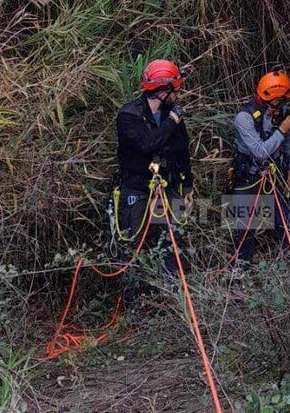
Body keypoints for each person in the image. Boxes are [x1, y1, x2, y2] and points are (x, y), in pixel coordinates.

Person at [115, 58, 194, 294]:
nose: (178, 95)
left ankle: (173, 294)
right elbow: (147, 145)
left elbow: (183, 150)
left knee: (174, 237)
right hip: (137, 186)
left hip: (170, 184)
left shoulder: (173, 115)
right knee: (133, 240)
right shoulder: (129, 115)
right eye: (175, 89)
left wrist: (187, 186)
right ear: (163, 90)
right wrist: (171, 122)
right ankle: (133, 298)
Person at [230, 70, 290, 271]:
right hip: (247, 177)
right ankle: (239, 273)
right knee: (243, 231)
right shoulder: (244, 118)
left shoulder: (283, 113)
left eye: (284, 100)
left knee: (286, 225)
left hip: (273, 178)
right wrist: (282, 129)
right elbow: (261, 152)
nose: (282, 106)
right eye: (279, 101)